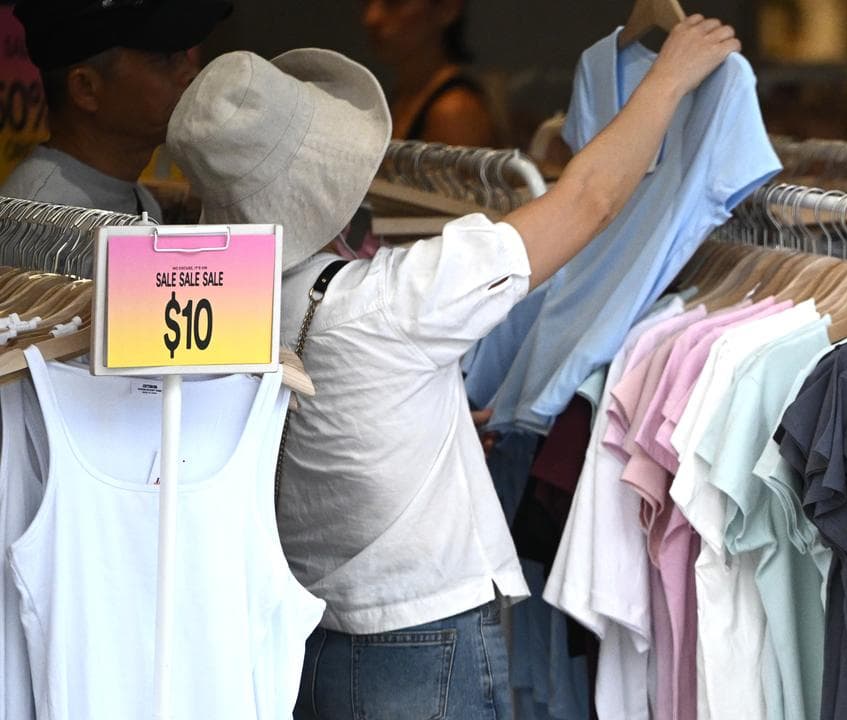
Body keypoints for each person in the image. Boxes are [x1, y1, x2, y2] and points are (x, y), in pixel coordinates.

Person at [166, 15, 740, 719]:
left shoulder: (233, 305)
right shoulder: (395, 300)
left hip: (311, 638)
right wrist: (669, 78)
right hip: (422, 645)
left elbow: (330, 415)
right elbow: (589, 201)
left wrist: (424, 409)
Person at [1, 0, 231, 219]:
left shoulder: (134, 197)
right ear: (86, 88)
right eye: (164, 58)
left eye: (184, 55)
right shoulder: (40, 218)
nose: (191, 73)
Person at [360, 0, 498, 146]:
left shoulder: (453, 111)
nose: (371, 18)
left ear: (448, 7)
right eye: (366, 2)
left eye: (395, 3)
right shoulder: (406, 93)